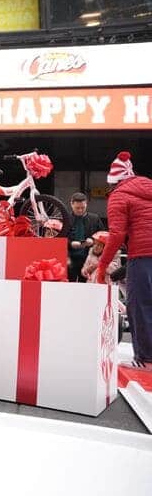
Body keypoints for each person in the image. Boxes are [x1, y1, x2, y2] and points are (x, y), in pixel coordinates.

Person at [96, 152, 152, 370]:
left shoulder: (119, 195)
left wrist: (102, 266)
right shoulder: (148, 185)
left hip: (143, 254)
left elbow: (117, 234)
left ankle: (146, 359)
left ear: (114, 181)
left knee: (140, 305)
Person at [67, 192, 104, 282]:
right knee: (68, 286)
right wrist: (70, 243)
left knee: (86, 286)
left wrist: (93, 241)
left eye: (82, 208)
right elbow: (59, 238)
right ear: (71, 204)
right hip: (69, 259)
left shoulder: (95, 219)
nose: (80, 210)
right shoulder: (66, 219)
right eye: (77, 208)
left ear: (86, 204)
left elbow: (103, 235)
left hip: (88, 258)